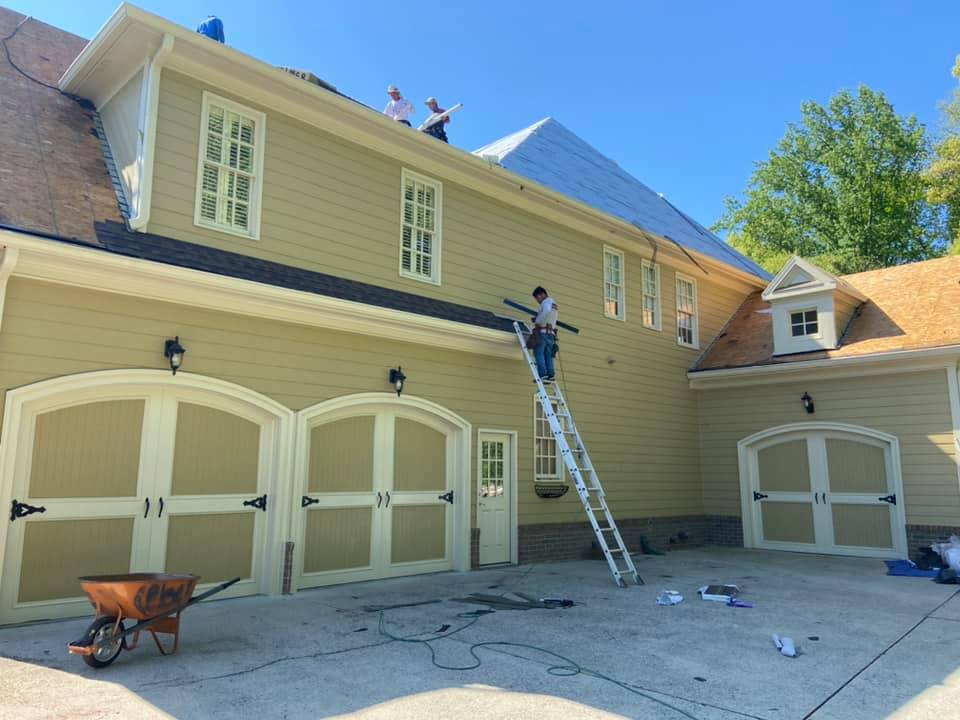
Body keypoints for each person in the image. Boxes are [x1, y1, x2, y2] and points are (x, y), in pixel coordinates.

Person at [531, 286, 558, 382]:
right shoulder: (554, 303)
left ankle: (542, 374)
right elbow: (549, 316)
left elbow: (546, 311)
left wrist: (537, 321)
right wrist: (539, 317)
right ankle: (551, 375)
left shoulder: (546, 302)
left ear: (542, 294)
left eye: (537, 298)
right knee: (548, 355)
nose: (538, 301)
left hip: (542, 333)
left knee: (539, 353)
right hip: (551, 334)